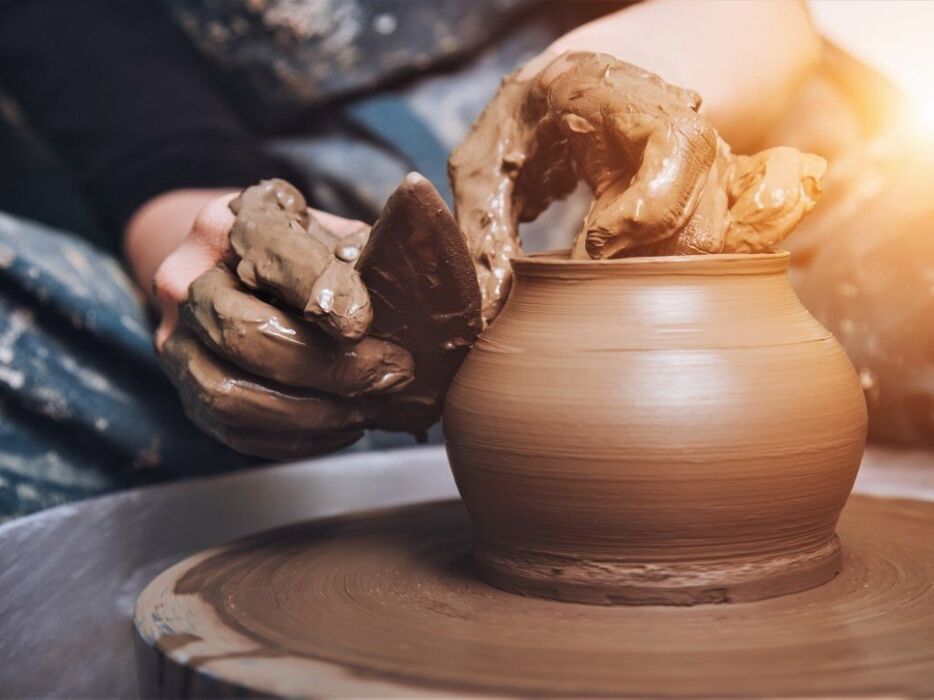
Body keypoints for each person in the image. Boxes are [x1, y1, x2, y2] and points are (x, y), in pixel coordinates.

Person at [0, 0, 859, 520]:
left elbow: (761, 17)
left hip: (688, 132)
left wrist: (603, 81)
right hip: (332, 234)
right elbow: (151, 150)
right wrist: (227, 261)